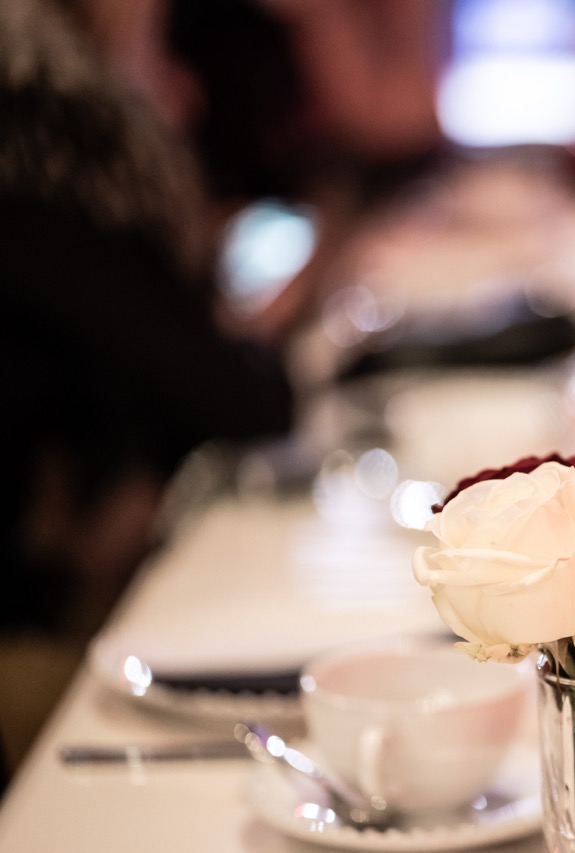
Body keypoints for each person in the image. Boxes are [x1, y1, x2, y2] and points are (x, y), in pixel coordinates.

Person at [0, 0, 293, 771]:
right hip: (33, 643)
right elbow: (242, 401)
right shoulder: (40, 154)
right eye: (155, 51)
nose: (186, 91)